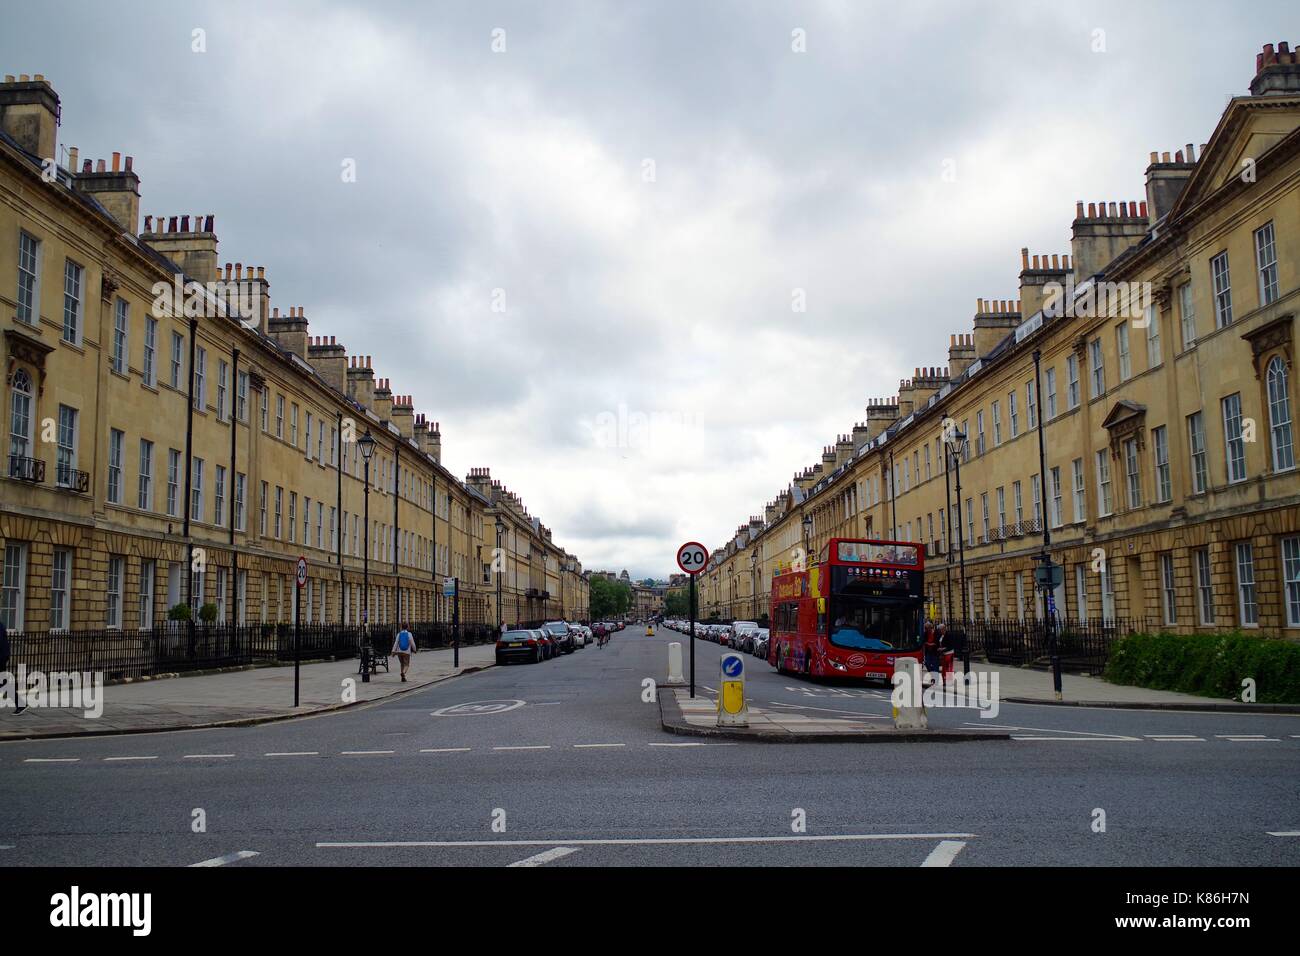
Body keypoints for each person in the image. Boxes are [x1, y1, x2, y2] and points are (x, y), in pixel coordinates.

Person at [0, 621, 23, 715]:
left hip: (0, 658)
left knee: (3, 683)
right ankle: (20, 704)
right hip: (2, 656)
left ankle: (20, 704)